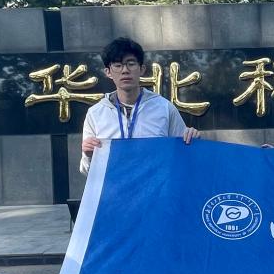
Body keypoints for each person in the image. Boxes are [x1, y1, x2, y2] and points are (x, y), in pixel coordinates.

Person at [80, 36, 200, 174]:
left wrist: (193, 141)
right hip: (115, 187)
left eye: (131, 64)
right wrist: (88, 156)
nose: (125, 70)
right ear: (108, 72)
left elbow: (185, 155)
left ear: (142, 69)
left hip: (155, 186)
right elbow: (86, 170)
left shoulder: (164, 108)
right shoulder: (95, 114)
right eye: (118, 65)